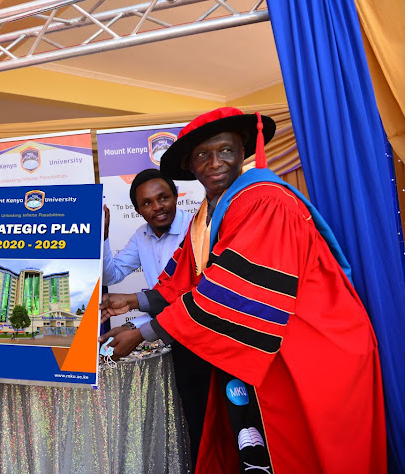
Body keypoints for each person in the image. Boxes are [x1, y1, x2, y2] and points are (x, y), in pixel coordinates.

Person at [100, 108, 386, 473]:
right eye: (202, 155)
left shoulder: (263, 201)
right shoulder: (210, 210)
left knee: (302, 451)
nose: (214, 162)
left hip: (307, 343)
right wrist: (130, 301)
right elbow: (184, 276)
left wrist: (141, 333)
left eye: (225, 150)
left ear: (243, 152)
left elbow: (229, 293)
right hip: (267, 344)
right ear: (190, 164)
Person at [99, 168, 191, 359]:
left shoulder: (195, 229)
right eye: (147, 203)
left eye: (163, 198)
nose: (157, 207)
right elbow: (112, 275)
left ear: (175, 197)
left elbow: (186, 296)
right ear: (138, 211)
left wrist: (136, 326)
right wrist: (104, 237)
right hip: (165, 332)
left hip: (197, 337)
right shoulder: (141, 235)